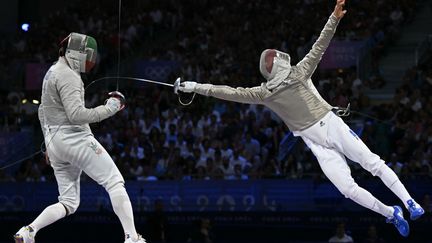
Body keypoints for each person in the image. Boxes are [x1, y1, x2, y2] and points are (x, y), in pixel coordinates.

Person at [178, 0, 424, 237]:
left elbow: (320, 45)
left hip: (331, 125)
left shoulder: (299, 72)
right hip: (314, 143)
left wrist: (334, 18)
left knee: (372, 163)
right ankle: (391, 213)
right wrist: (193, 86)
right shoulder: (264, 93)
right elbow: (227, 92)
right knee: (347, 189)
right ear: (274, 66)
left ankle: (409, 201)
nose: (277, 55)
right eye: (274, 57)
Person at [14, 33, 146, 243]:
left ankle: (29, 231)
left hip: (56, 143)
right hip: (74, 138)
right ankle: (132, 238)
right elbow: (76, 116)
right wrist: (110, 108)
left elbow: (42, 110)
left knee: (68, 202)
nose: (91, 60)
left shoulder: (52, 72)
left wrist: (49, 144)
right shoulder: (69, 76)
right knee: (114, 182)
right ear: (75, 53)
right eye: (88, 55)